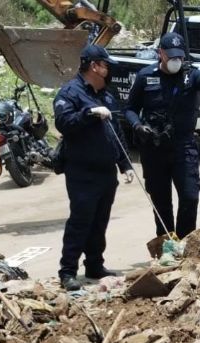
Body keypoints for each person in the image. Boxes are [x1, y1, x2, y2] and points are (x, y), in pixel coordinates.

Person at [124, 32, 200, 239]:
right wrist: (136, 125)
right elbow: (130, 108)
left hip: (183, 147)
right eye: (171, 56)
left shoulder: (191, 75)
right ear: (160, 53)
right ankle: (167, 246)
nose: (176, 61)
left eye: (179, 56)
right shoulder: (146, 76)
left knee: (190, 197)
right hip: (154, 149)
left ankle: (185, 241)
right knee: (161, 201)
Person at [54, 44, 134, 292]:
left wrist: (125, 163)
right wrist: (88, 114)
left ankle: (94, 265)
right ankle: (68, 271)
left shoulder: (106, 95)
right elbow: (63, 122)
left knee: (100, 221)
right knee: (81, 220)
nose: (108, 70)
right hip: (82, 171)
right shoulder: (70, 93)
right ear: (94, 66)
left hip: (105, 170)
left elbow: (115, 133)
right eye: (105, 65)